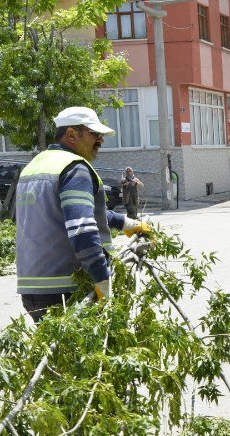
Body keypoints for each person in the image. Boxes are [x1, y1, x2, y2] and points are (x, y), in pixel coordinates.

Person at [15, 107, 151, 322]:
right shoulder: (74, 168)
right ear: (71, 135)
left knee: (59, 354)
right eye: (95, 134)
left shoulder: (35, 166)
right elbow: (82, 229)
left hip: (32, 289)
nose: (100, 141)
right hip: (68, 288)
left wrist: (126, 223)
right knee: (92, 354)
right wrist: (102, 280)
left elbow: (69, 213)